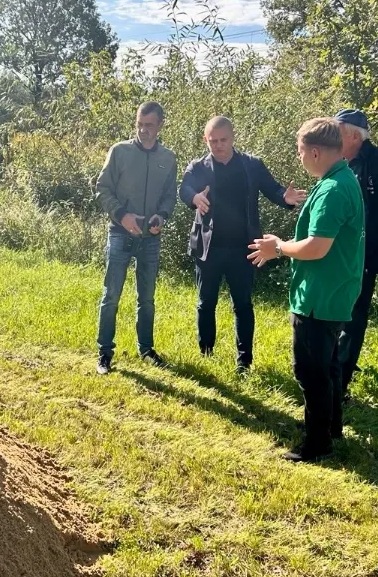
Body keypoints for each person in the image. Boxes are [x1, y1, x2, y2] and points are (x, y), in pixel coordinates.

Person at [248, 117, 364, 462]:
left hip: (320, 295)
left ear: (314, 152)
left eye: (300, 152)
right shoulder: (343, 178)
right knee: (328, 365)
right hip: (333, 290)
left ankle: (316, 445)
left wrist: (278, 248)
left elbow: (317, 247)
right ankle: (330, 427)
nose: (299, 159)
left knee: (310, 370)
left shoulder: (332, 189)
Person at [180, 116, 306, 372]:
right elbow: (183, 188)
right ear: (206, 140)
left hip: (244, 249)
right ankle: (206, 352)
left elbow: (273, 189)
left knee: (243, 305)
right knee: (206, 302)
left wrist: (286, 198)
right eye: (212, 141)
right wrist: (194, 198)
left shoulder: (251, 165)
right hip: (209, 248)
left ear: (233, 137)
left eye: (222, 140)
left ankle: (244, 361)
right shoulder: (198, 166)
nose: (217, 145)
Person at [94, 101, 178, 375]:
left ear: (160, 126)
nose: (144, 130)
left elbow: (169, 195)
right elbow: (102, 188)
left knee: (147, 298)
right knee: (112, 295)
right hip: (120, 233)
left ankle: (146, 349)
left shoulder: (168, 157)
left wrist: (161, 217)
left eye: (149, 125)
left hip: (150, 239)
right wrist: (122, 215)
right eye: (140, 124)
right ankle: (104, 353)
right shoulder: (119, 152)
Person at [333, 109, 378, 398]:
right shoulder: (338, 160)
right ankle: (333, 367)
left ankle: (341, 382)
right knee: (334, 313)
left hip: (363, 255)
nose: (331, 138)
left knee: (353, 316)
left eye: (336, 132)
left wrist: (361, 255)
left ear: (351, 134)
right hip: (334, 253)